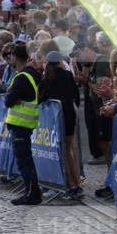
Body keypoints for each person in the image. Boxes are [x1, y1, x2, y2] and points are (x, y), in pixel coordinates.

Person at [39, 50, 82, 198]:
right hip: (68, 115)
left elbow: (41, 97)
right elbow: (75, 94)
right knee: (68, 151)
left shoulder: (47, 78)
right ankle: (75, 184)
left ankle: (70, 185)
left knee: (63, 152)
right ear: (60, 61)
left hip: (55, 118)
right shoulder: (67, 75)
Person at [4, 42, 42, 205]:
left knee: (24, 161)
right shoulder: (32, 74)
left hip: (21, 125)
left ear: (14, 57)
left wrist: (10, 95)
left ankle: (32, 194)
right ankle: (33, 192)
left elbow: (8, 100)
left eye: (10, 56)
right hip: (24, 125)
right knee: (26, 160)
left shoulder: (21, 77)